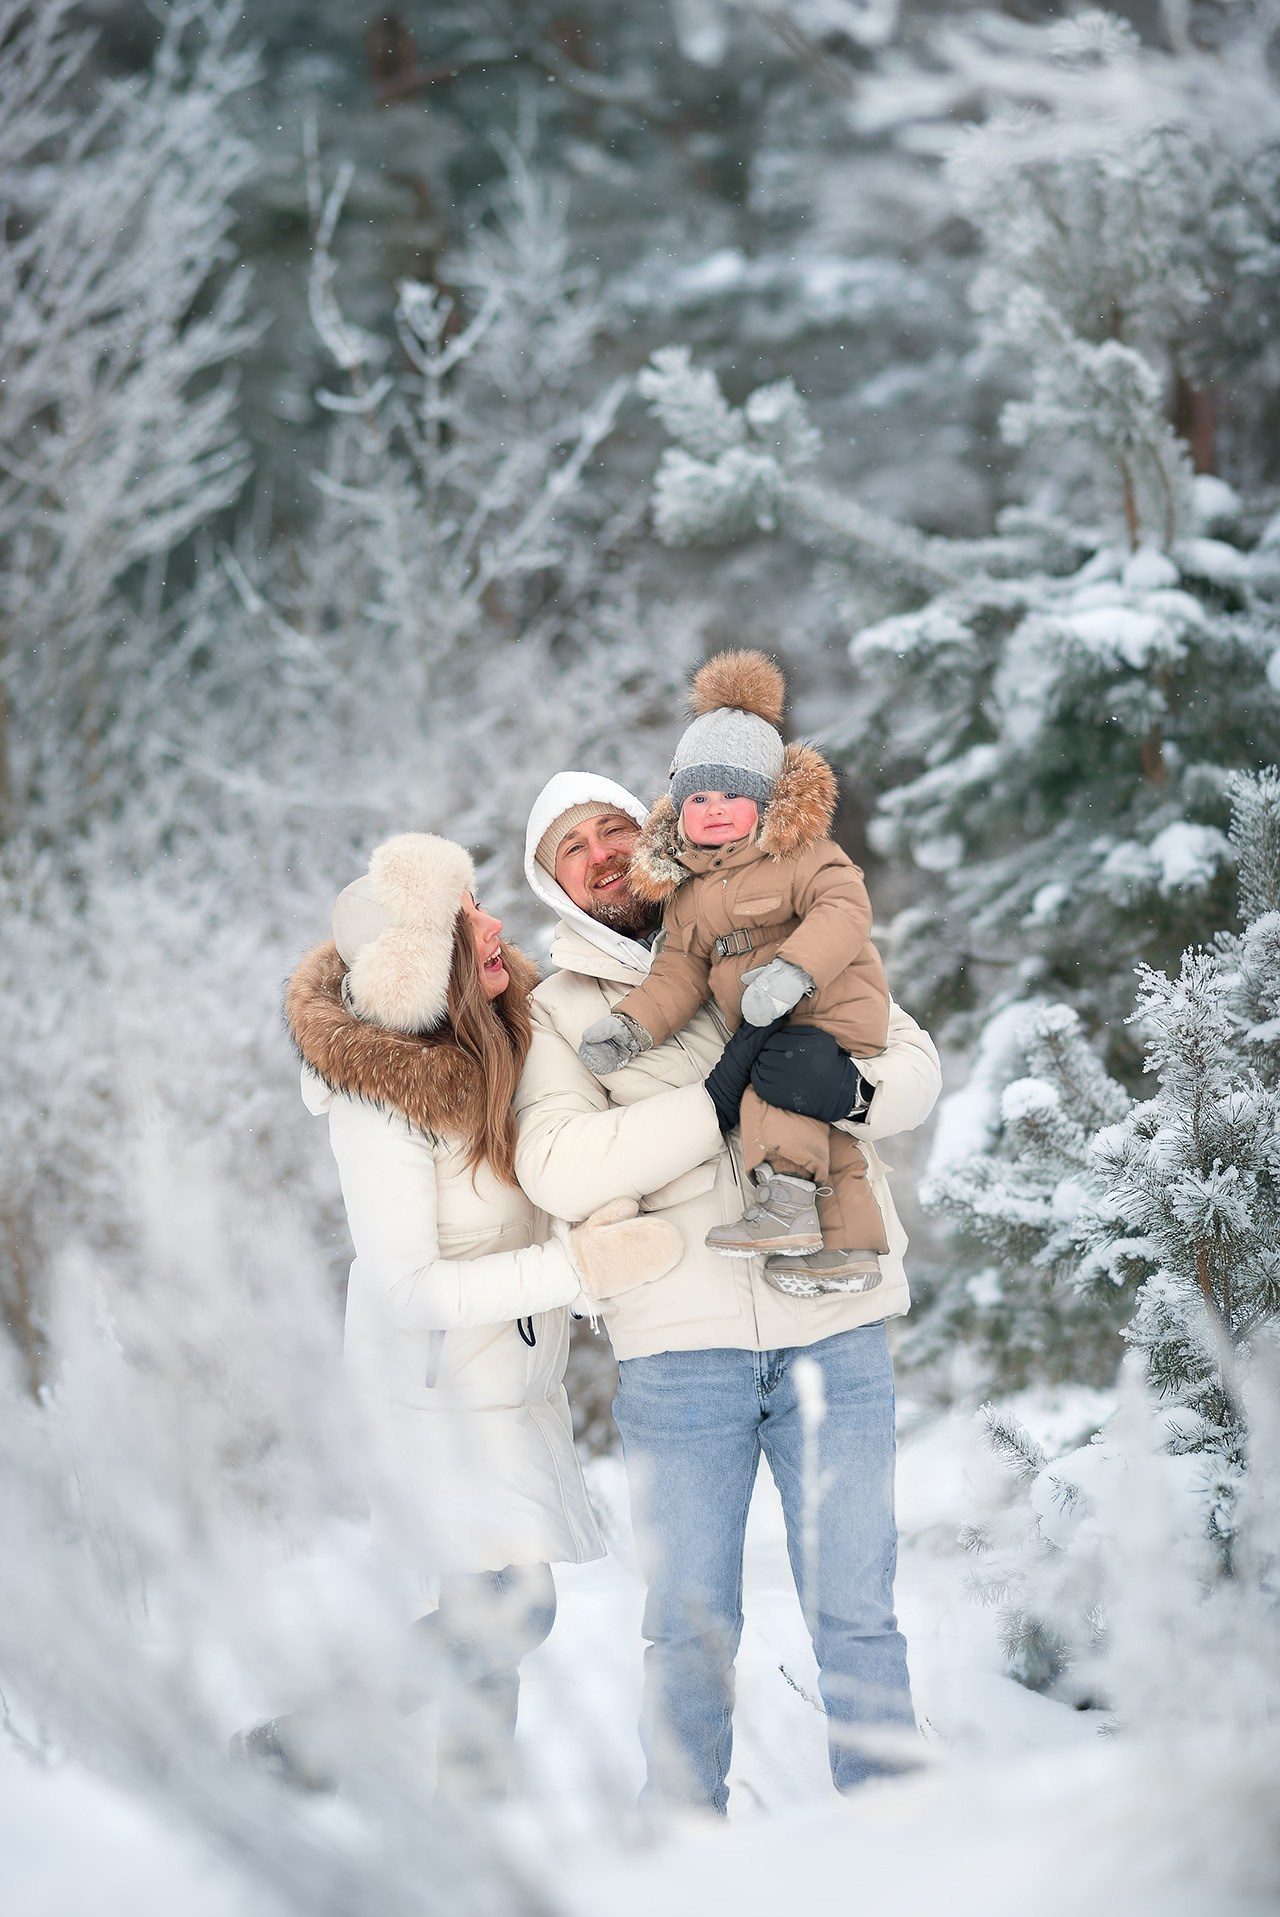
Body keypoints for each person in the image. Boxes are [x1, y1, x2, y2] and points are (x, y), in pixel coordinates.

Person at [515, 773, 941, 1814]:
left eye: (615, 823)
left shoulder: (769, 904)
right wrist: (711, 1108)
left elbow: (915, 1060)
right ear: (551, 882)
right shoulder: (559, 1012)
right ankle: (682, 1846)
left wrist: (843, 1091)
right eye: (574, 844)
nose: (603, 849)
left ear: (655, 831)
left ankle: (899, 1839)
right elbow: (559, 1166)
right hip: (678, 1352)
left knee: (854, 1608)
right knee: (688, 1620)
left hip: (831, 1323)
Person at [234, 831, 680, 1797]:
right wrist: (575, 1267)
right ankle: (300, 1745)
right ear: (414, 965)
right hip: (434, 1397)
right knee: (514, 1612)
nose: (492, 922)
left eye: (476, 901)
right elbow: (407, 1287)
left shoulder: (503, 1037)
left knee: (489, 1621)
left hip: (508, 1381)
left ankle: (474, 1814)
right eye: (460, 917)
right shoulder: (381, 1099)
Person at [577, 649, 889, 1292]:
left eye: (735, 795)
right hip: (773, 1023)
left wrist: (795, 970)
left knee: (771, 1092)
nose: (716, 808)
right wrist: (632, 1027)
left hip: (824, 1006)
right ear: (676, 809)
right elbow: (677, 972)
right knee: (822, 1129)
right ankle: (850, 1248)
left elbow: (844, 907)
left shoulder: (802, 856)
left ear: (769, 802)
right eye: (700, 797)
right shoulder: (688, 894)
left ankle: (788, 1209)